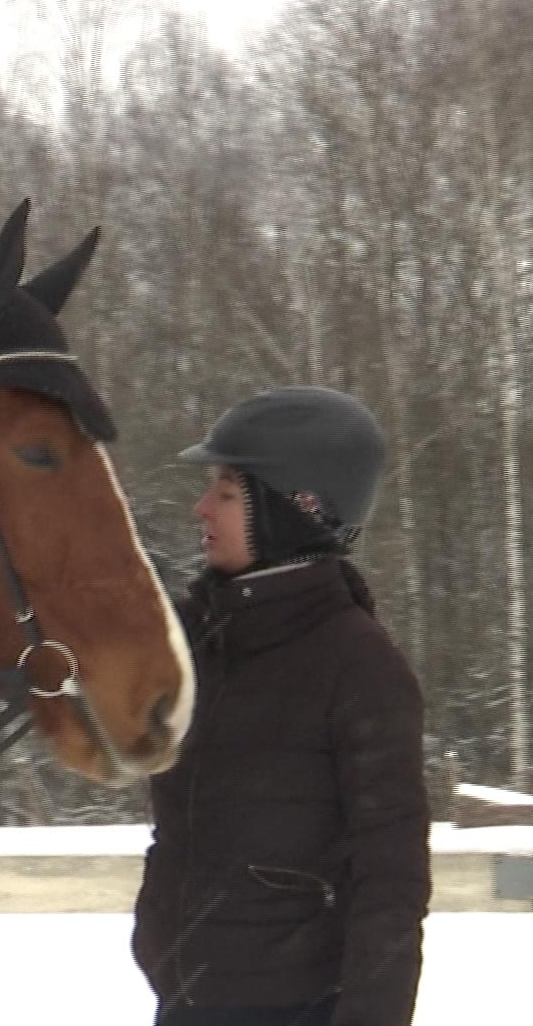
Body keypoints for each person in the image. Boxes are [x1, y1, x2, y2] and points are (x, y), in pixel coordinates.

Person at [131, 386, 431, 1026]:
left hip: (295, 1007)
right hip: (186, 999)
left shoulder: (359, 665)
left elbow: (391, 880)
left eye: (228, 493)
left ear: (293, 511)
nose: (201, 507)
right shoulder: (194, 640)